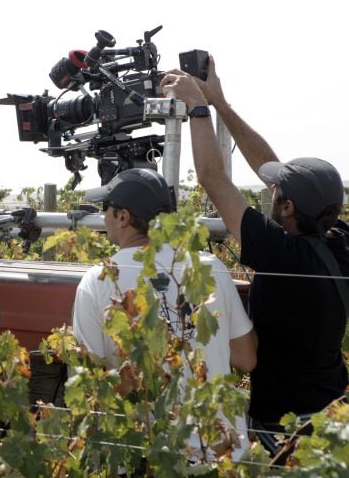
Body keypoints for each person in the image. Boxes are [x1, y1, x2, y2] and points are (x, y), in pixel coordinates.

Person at [160, 58, 349, 458]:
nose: (271, 191)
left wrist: (197, 109)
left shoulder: (281, 255)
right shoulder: (338, 241)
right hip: (331, 411)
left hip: (283, 426)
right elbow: (273, 173)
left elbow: (213, 180)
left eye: (277, 192)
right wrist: (220, 104)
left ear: (287, 208)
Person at [72, 167, 257, 459]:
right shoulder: (211, 268)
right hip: (222, 454)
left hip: (146, 456)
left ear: (123, 217)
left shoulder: (98, 280)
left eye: (105, 208)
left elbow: (92, 386)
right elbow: (246, 359)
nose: (102, 216)